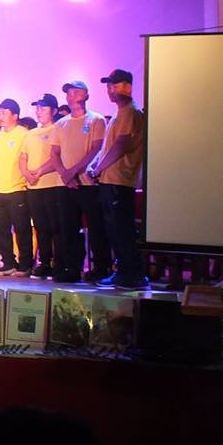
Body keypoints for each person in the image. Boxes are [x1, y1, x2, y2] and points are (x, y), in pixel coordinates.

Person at [88, 69, 148, 289]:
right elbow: (110, 146)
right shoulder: (120, 113)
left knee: (122, 230)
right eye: (108, 86)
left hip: (120, 180)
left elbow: (122, 144)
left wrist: (98, 168)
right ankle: (123, 272)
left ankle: (133, 275)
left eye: (114, 85)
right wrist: (96, 167)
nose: (110, 90)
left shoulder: (131, 112)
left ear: (128, 87)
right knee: (115, 230)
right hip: (110, 179)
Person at [51, 80, 108, 283]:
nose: (71, 95)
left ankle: (102, 268)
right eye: (68, 92)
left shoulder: (96, 120)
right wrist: (64, 174)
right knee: (68, 228)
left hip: (88, 184)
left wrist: (73, 172)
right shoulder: (60, 123)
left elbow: (96, 148)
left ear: (86, 95)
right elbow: (54, 153)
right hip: (66, 185)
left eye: (75, 91)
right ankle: (72, 268)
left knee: (96, 227)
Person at [19, 93, 64, 279]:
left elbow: (57, 157)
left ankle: (58, 263)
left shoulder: (58, 129)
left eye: (43, 108)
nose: (38, 111)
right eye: (37, 108)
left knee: (55, 226)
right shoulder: (30, 133)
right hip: (33, 187)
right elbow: (23, 157)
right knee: (40, 227)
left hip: (52, 184)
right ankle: (44, 262)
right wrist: (26, 172)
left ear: (53, 110)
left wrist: (38, 172)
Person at [0, 99, 34, 277]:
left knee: (22, 229)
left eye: (4, 112)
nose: (0, 116)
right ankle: (8, 263)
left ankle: (25, 264)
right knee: (1, 229)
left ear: (15, 115)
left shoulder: (24, 134)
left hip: (18, 189)